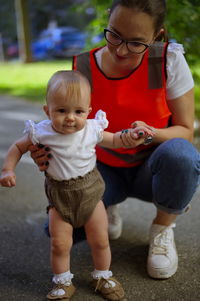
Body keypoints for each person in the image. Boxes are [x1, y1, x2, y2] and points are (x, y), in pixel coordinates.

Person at [29, 0, 200, 281]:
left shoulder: (169, 59)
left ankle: (162, 228)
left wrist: (149, 133)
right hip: (100, 171)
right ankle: (106, 205)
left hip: (152, 168)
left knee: (182, 155)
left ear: (156, 36)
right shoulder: (82, 66)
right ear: (108, 20)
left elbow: (185, 129)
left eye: (135, 43)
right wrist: (45, 149)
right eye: (115, 35)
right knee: (58, 229)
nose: (121, 50)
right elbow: (64, 125)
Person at [0, 70, 154, 300]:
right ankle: (62, 282)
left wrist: (130, 136)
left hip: (90, 193)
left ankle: (103, 275)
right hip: (60, 198)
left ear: (88, 112)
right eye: (61, 111)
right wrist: (8, 169)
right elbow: (17, 147)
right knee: (60, 245)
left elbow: (115, 140)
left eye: (78, 111)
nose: (70, 117)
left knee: (100, 240)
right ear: (47, 111)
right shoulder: (41, 131)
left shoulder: (92, 129)